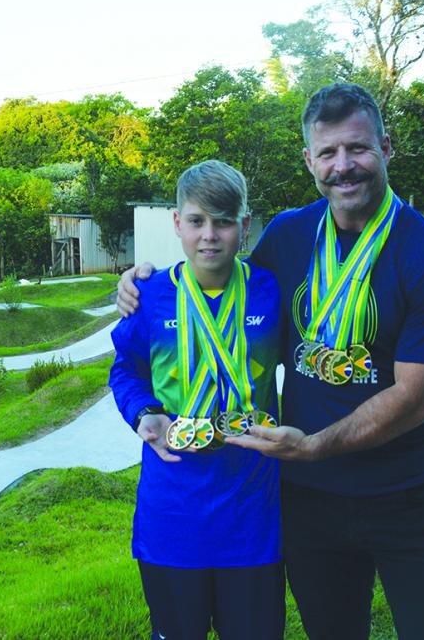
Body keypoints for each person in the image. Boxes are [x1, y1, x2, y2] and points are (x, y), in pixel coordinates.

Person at [117, 83, 424, 640]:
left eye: (357, 148)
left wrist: (314, 446)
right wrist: (144, 284)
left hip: (406, 493)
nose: (344, 166)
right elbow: (221, 289)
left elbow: (414, 397)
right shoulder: (289, 236)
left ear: (386, 147)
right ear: (309, 160)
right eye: (328, 153)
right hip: (309, 501)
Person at [108, 159, 285, 640]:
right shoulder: (149, 294)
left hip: (253, 519)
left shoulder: (272, 293)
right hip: (172, 519)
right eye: (196, 221)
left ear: (245, 226)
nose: (210, 235)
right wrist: (144, 414)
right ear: (177, 224)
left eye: (224, 221)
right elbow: (125, 369)